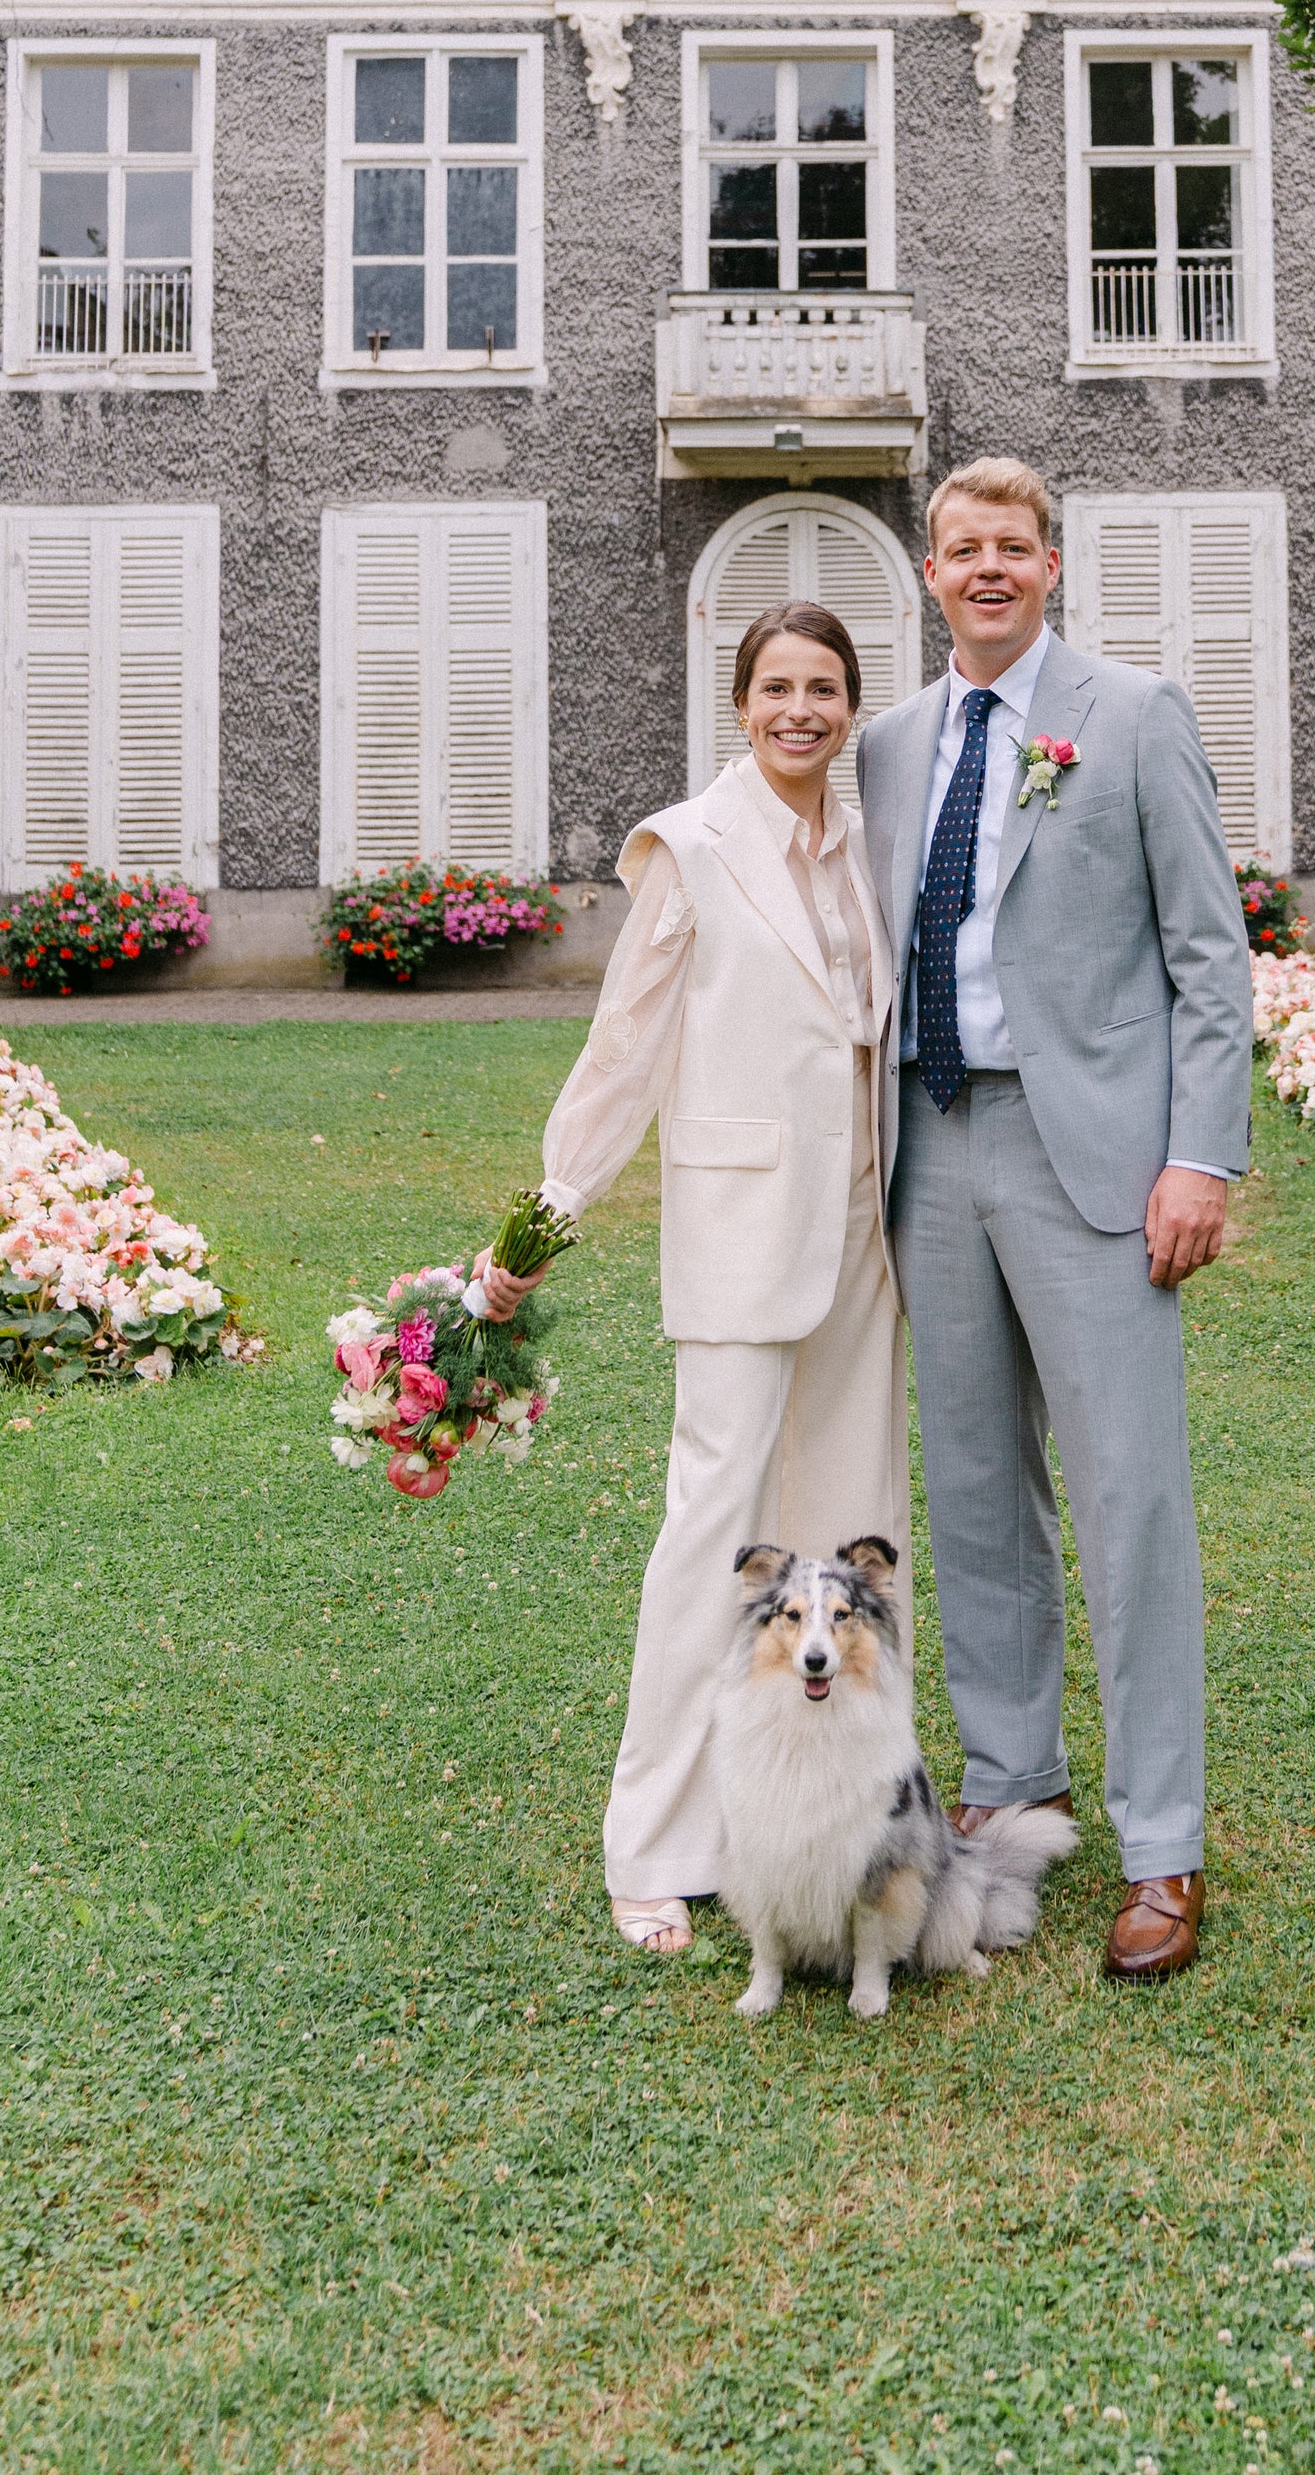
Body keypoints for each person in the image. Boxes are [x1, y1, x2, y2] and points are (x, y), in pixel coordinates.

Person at [856, 458, 1253, 1981]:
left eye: (1011, 548)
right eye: (962, 549)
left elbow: (1208, 958)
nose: (987, 569)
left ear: (1052, 564)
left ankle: (1164, 1847)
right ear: (932, 573)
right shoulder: (894, 744)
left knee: (1129, 1495)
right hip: (931, 1144)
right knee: (972, 1486)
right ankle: (1012, 1786)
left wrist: (1198, 1158)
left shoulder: (1134, 717)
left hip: (1092, 1155)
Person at [483, 601, 902, 1957]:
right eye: (777, 687)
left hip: (864, 1234)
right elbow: (627, 1045)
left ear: (850, 707)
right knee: (711, 1536)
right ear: (741, 704)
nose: (801, 711)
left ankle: (822, 1825)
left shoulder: (865, 846)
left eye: (824, 689)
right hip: (739, 1227)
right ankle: (655, 1846)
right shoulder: (692, 846)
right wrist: (546, 1212)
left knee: (846, 1533)